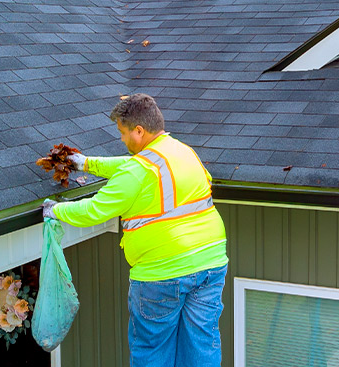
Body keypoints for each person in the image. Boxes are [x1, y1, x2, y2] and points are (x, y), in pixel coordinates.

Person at [41, 93, 228, 367]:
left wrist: (54, 210)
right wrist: (86, 163)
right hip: (211, 264)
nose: (121, 139)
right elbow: (132, 167)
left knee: (152, 349)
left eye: (123, 132)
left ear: (139, 131)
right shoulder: (182, 151)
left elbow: (95, 210)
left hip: (162, 274)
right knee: (201, 341)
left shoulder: (137, 173)